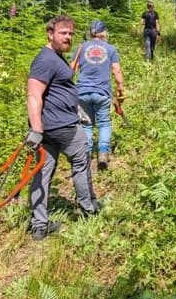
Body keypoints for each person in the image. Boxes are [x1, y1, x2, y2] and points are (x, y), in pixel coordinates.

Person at [25, 15, 101, 241]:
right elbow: (34, 95)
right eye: (62, 33)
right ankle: (89, 209)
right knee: (81, 162)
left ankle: (39, 225)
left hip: (54, 125)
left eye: (70, 33)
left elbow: (57, 89)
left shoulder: (55, 58)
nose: (68, 37)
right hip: (61, 126)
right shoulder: (45, 60)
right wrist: (36, 130)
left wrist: (75, 107)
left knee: (42, 172)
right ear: (50, 34)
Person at [73, 19, 125, 170]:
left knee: (86, 124)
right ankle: (103, 153)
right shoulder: (110, 49)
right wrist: (120, 86)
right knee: (104, 123)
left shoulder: (81, 47)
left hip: (82, 92)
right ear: (104, 33)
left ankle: (87, 154)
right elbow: (116, 70)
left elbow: (73, 69)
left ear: (90, 33)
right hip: (102, 92)